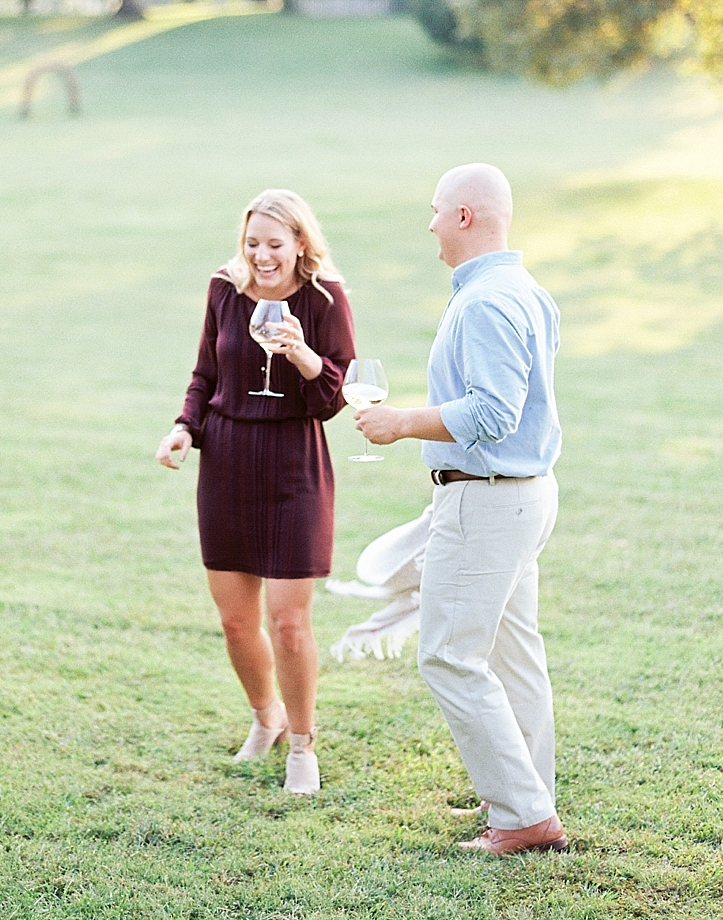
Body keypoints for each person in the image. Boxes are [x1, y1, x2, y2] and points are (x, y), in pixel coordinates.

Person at [356, 163, 567, 856]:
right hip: (522, 495)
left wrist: (401, 422)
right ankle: (523, 796)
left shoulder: (484, 301)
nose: (431, 224)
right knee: (514, 654)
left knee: (448, 654)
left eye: (437, 210)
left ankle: (521, 815)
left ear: (466, 216)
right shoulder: (525, 290)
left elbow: (496, 412)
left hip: (487, 500)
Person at [156, 190, 355, 794]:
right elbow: (204, 375)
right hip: (227, 462)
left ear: (300, 242)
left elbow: (336, 397)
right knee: (236, 622)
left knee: (290, 623)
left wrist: (301, 355)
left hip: (294, 465)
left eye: (275, 244)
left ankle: (302, 744)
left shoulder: (324, 300)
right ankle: (265, 717)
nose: (262, 257)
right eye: (252, 244)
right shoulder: (224, 289)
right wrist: (183, 428)